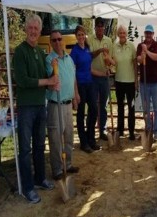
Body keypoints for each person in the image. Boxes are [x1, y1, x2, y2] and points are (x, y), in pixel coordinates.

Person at [12, 14, 58, 204]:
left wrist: (53, 79)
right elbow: (22, 81)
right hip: (26, 107)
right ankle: (28, 188)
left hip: (41, 105)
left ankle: (40, 179)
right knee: (25, 149)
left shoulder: (40, 52)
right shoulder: (20, 52)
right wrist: (47, 81)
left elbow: (43, 77)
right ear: (26, 29)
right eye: (30, 28)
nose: (33, 31)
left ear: (40, 32)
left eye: (36, 29)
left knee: (40, 145)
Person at [45, 30, 80, 181]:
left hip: (67, 103)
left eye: (60, 39)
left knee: (69, 136)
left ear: (63, 40)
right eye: (54, 40)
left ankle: (68, 164)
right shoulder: (49, 60)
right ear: (51, 43)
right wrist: (54, 70)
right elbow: (50, 81)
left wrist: (75, 95)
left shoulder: (69, 59)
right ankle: (58, 169)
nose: (58, 42)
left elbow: (73, 78)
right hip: (55, 104)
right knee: (55, 138)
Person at [70, 25, 101, 153]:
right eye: (79, 35)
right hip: (80, 84)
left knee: (94, 110)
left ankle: (91, 138)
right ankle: (83, 142)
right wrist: (75, 91)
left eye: (83, 34)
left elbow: (89, 67)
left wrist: (102, 73)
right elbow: (72, 71)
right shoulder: (74, 51)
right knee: (81, 113)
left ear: (85, 35)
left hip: (90, 83)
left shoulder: (87, 49)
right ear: (76, 37)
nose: (81, 37)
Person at [87, 17, 114, 141]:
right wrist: (100, 50)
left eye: (102, 26)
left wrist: (109, 66)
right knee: (92, 105)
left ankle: (102, 129)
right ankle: (91, 131)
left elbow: (111, 58)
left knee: (103, 105)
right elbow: (90, 56)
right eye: (98, 26)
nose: (100, 28)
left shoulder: (109, 40)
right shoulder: (89, 40)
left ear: (104, 27)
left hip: (104, 77)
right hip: (92, 77)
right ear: (95, 27)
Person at [136, 24, 157, 141]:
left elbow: (156, 57)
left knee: (156, 108)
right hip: (144, 83)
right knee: (146, 108)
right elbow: (139, 60)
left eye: (150, 33)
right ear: (144, 34)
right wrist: (142, 54)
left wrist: (147, 51)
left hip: (156, 82)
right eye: (146, 33)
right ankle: (148, 129)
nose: (148, 35)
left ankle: (156, 132)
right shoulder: (139, 46)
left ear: (153, 34)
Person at [113, 25, 137, 140]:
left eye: (124, 33)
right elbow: (112, 63)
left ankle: (131, 131)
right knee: (120, 107)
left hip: (130, 82)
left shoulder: (131, 46)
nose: (122, 34)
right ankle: (120, 130)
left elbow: (135, 64)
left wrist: (136, 80)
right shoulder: (114, 46)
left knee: (131, 107)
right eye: (120, 33)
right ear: (118, 34)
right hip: (118, 81)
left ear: (126, 34)